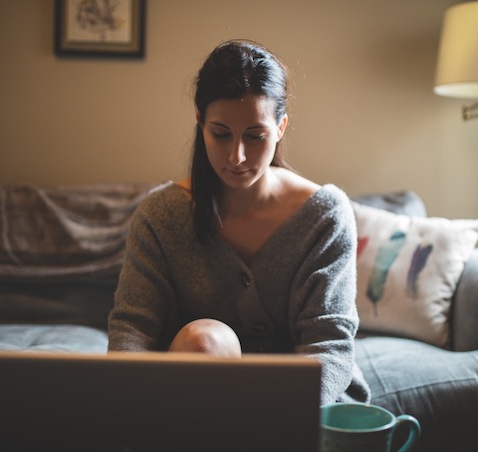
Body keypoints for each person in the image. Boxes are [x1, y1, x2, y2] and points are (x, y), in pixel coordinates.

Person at [107, 39, 370, 405]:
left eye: (255, 136)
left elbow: (329, 342)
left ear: (280, 127)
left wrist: (276, 417)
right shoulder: (160, 216)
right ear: (200, 124)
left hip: (301, 402)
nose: (237, 156)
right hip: (191, 398)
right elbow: (132, 330)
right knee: (206, 338)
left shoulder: (324, 216)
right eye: (220, 134)